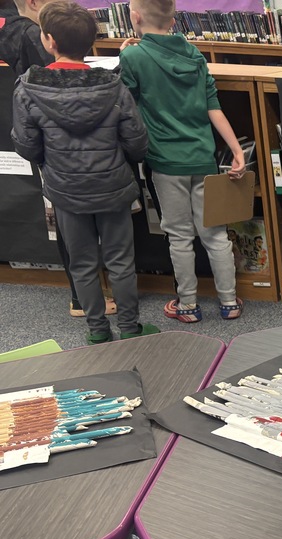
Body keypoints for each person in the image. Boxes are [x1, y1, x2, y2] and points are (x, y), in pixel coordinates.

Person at [11, 0, 157, 344]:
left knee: (82, 262)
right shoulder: (113, 85)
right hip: (112, 185)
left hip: (65, 191)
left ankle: (97, 331)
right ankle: (131, 328)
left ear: (49, 41)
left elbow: (27, 146)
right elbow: (137, 142)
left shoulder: (29, 88)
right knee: (121, 260)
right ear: (91, 41)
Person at [119, 0, 246, 323]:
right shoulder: (194, 55)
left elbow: (127, 105)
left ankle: (187, 305)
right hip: (202, 159)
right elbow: (212, 107)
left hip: (164, 161)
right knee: (215, 234)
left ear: (134, 17)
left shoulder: (133, 57)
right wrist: (237, 150)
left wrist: (125, 55)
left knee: (179, 236)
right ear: (174, 20)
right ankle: (229, 302)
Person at [0, 0, 118, 319]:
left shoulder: (13, 30)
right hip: (65, 143)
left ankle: (83, 295)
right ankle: (82, 298)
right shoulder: (32, 37)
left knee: (67, 223)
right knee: (75, 227)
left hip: (48, 146)